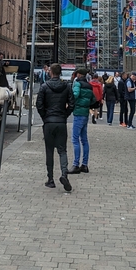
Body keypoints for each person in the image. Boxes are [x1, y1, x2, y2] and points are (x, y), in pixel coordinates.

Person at [36, 62, 75, 191]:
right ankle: (64, 174)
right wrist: (64, 115)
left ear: (50, 72)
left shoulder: (44, 86)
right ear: (60, 73)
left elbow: (39, 105)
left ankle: (50, 179)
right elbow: (72, 104)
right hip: (61, 121)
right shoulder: (67, 86)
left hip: (49, 122)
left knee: (49, 151)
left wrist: (45, 117)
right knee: (62, 150)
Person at [68, 67, 96, 174]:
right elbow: (93, 99)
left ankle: (76, 165)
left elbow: (74, 95)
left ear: (79, 75)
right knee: (84, 140)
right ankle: (84, 165)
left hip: (78, 112)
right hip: (85, 114)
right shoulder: (89, 85)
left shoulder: (78, 84)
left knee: (75, 139)